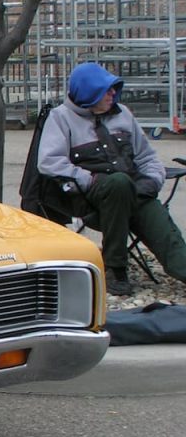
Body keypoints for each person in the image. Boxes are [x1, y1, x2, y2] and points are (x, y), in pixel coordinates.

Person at [38, 62, 186, 296]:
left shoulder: (123, 114)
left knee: (161, 226)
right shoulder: (61, 118)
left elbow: (148, 157)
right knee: (118, 183)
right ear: (89, 92)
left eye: (113, 88)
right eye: (106, 89)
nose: (113, 93)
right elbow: (49, 162)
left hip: (131, 192)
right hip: (89, 196)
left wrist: (153, 181)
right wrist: (89, 180)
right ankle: (116, 269)